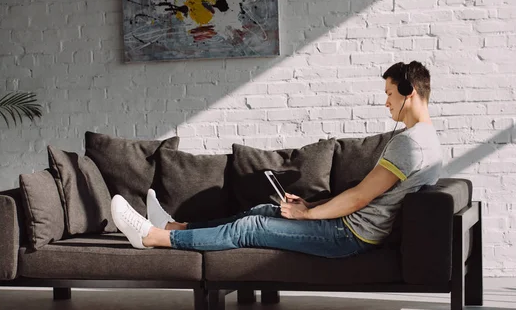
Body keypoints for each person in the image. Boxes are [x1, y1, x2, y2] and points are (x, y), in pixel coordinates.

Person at [111, 61, 442, 258]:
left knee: (249, 227)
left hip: (350, 235)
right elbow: (372, 195)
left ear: (408, 91)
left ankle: (152, 237)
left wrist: (309, 214)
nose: (386, 102)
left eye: (389, 94)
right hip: (353, 226)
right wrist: (310, 207)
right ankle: (174, 226)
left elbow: (360, 197)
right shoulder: (429, 141)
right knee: (264, 210)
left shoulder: (409, 144)